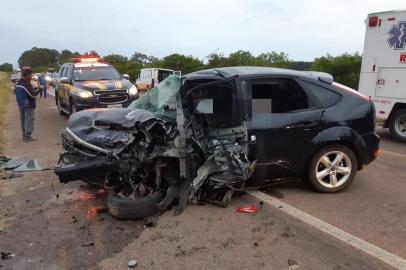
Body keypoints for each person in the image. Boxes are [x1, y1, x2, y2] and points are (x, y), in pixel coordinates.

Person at [14, 67, 40, 142]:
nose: (31, 76)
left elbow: (16, 92)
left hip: (20, 104)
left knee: (23, 120)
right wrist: (38, 89)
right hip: (28, 105)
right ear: (27, 75)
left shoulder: (18, 83)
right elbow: (32, 95)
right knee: (29, 120)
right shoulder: (26, 84)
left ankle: (24, 135)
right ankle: (28, 136)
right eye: (31, 75)